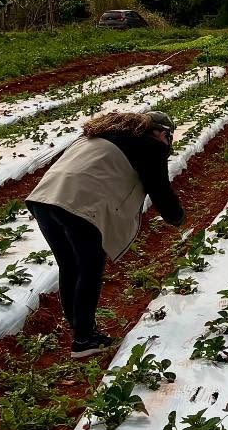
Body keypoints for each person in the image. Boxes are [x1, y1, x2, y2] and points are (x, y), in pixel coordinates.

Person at [26, 105, 184, 357]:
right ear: (159, 132)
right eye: (167, 136)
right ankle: (84, 340)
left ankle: (81, 331)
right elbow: (160, 190)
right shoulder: (151, 146)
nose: (167, 142)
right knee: (89, 266)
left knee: (69, 265)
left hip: (44, 199)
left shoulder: (97, 135)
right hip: (78, 203)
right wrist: (177, 217)